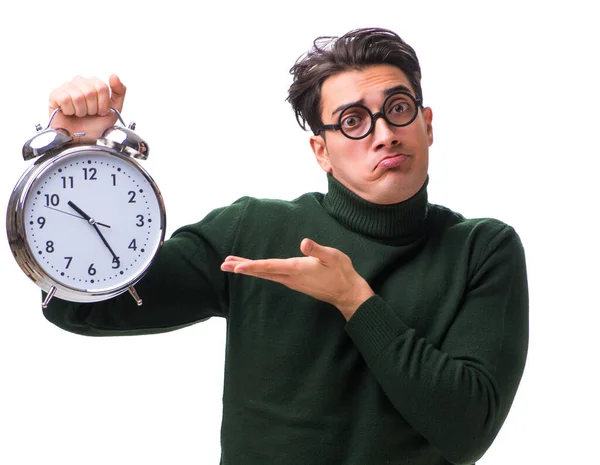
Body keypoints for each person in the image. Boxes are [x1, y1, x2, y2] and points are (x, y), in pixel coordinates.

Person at [42, 27, 528, 465]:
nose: (383, 135)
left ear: (426, 124)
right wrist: (81, 158)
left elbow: (467, 432)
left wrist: (353, 300)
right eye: (354, 121)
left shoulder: (482, 249)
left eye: (397, 109)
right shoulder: (254, 230)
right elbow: (84, 306)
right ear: (322, 152)